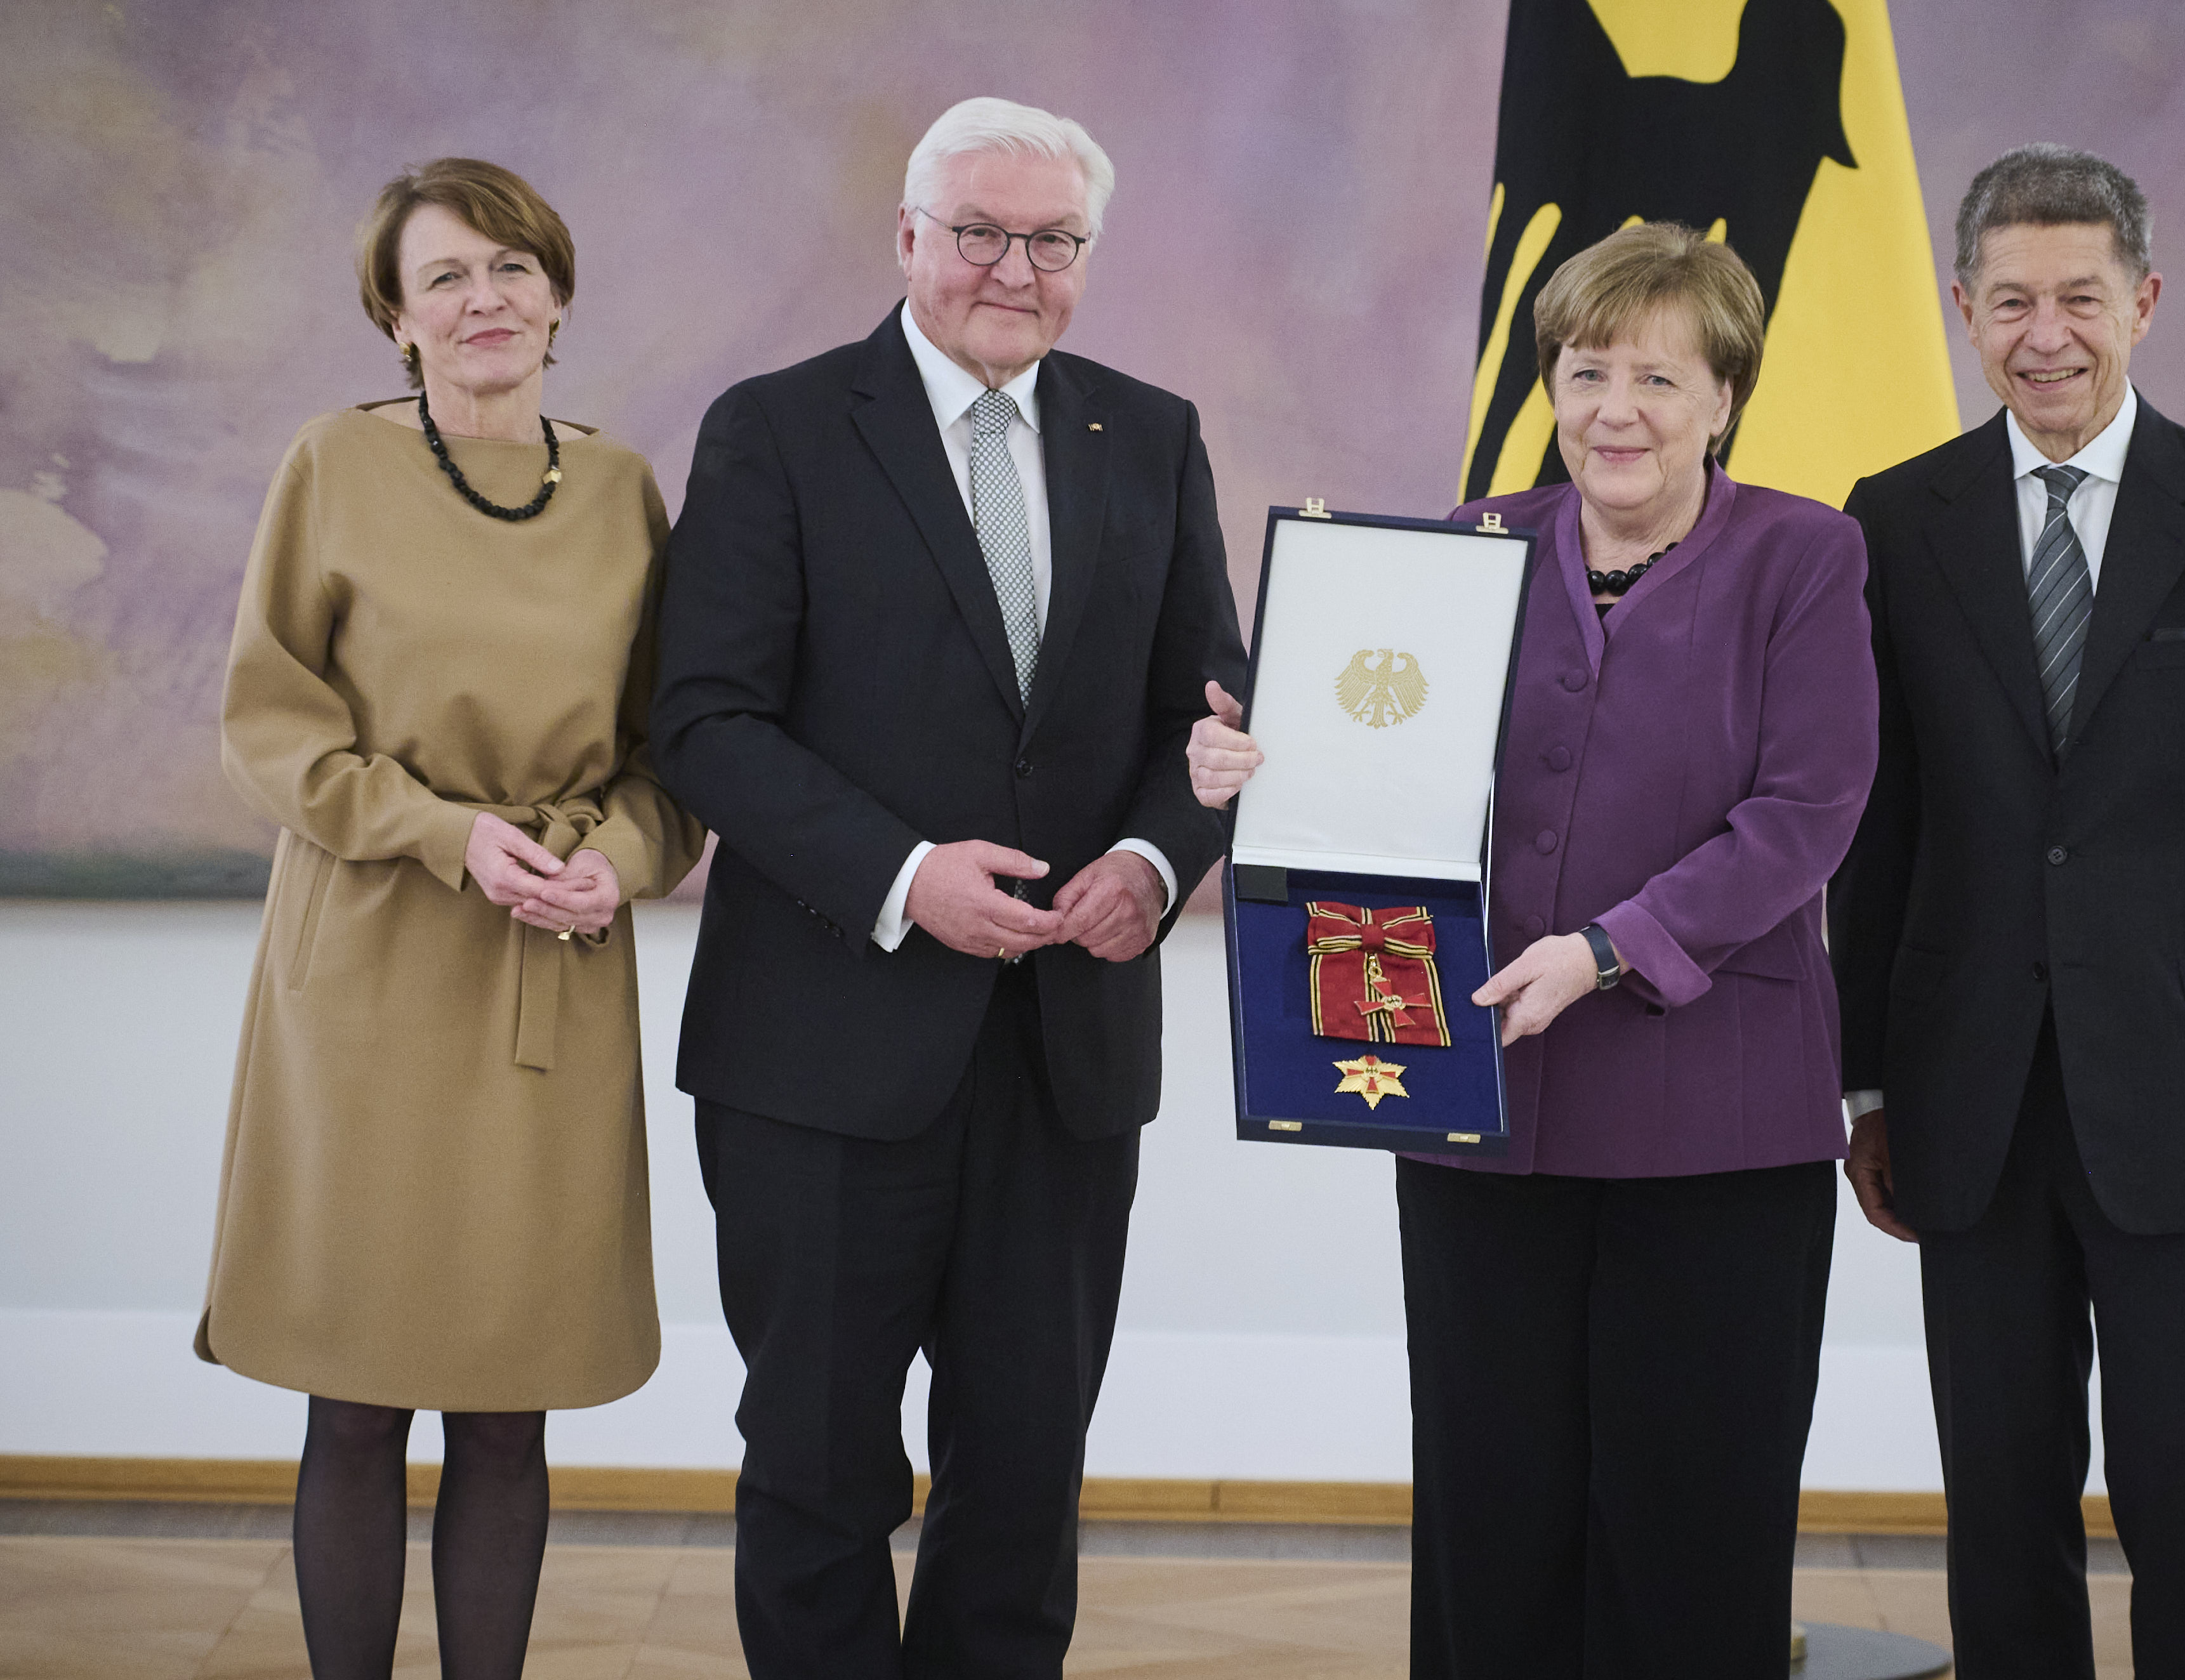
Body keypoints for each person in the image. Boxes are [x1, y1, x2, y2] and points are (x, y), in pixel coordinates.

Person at [1189, 223, 1876, 1677]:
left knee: (1691, 1512)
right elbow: (1357, 775)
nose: (1612, 408)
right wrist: (1248, 761)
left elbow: (1805, 814)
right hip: (1473, 1108)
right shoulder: (1458, 548)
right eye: (1582, 371)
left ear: (1722, 399)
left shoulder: (1803, 554)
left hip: (1717, 1127)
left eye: (1654, 377)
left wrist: (1609, 949)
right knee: (1492, 1506)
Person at [649, 97, 1244, 1677]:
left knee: (1023, 1476)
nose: (1010, 267)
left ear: (1086, 260)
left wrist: (1147, 859)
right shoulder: (775, 427)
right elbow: (701, 717)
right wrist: (903, 876)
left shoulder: (1153, 431)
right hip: (823, 1058)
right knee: (819, 1471)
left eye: (1049, 240)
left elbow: (1214, 717)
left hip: (1064, 1057)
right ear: (906, 236)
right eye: (976, 230)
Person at [1830, 144, 2185, 1679]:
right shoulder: (1895, 518)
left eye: (2077, 296)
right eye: (2009, 300)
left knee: (2181, 1489)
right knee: (1998, 1494)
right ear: (1960, 309)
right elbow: (1879, 826)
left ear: (2142, 299)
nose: (2043, 332)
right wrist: (1864, 1079)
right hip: (1965, 1096)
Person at [199, 157, 704, 1677]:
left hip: (546, 966)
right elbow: (268, 727)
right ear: (395, 320)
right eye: (444, 279)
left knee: (508, 1391)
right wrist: (443, 833)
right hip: (364, 966)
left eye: (510, 269)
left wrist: (610, 857)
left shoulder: (621, 489)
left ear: (555, 293)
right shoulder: (330, 467)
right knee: (351, 1393)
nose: (483, 300)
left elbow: (672, 753)